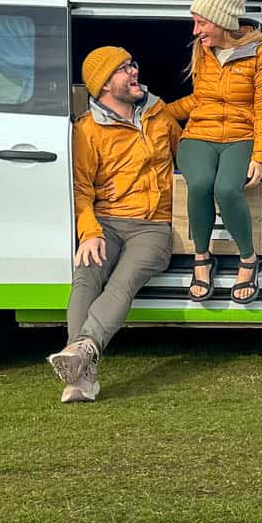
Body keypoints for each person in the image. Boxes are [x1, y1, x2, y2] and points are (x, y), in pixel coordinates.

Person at [46, 46, 180, 404]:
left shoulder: (159, 114)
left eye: (132, 63)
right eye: (123, 69)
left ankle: (83, 350)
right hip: (106, 219)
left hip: (152, 224)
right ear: (104, 85)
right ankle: (81, 372)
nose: (133, 71)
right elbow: (81, 188)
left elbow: (187, 151)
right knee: (86, 273)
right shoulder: (86, 130)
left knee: (122, 282)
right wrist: (89, 231)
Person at [168, 0, 262, 304]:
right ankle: (201, 260)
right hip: (198, 135)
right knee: (201, 184)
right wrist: (160, 110)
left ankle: (248, 260)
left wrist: (260, 156)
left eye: (201, 22)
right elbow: (199, 101)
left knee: (228, 188)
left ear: (222, 22)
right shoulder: (202, 52)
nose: (195, 30)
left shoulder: (261, 55)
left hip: (240, 136)